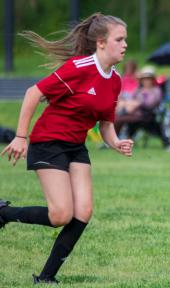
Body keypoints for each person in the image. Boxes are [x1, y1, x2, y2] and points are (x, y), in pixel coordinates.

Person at [0, 13, 133, 284]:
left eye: (125, 40)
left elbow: (106, 124)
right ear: (101, 43)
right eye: (119, 39)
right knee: (60, 214)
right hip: (48, 142)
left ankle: (46, 277)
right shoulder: (79, 67)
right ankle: (3, 213)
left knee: (83, 213)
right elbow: (32, 93)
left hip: (75, 146)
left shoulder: (115, 79)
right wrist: (21, 137)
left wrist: (116, 142)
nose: (125, 45)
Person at [114, 66, 170, 148]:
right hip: (134, 115)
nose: (146, 81)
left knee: (120, 119)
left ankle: (114, 141)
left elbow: (150, 104)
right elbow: (130, 99)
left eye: (148, 78)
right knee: (118, 118)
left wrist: (137, 103)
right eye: (144, 79)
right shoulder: (138, 90)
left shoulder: (156, 91)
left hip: (148, 115)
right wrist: (129, 103)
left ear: (152, 80)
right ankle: (115, 140)